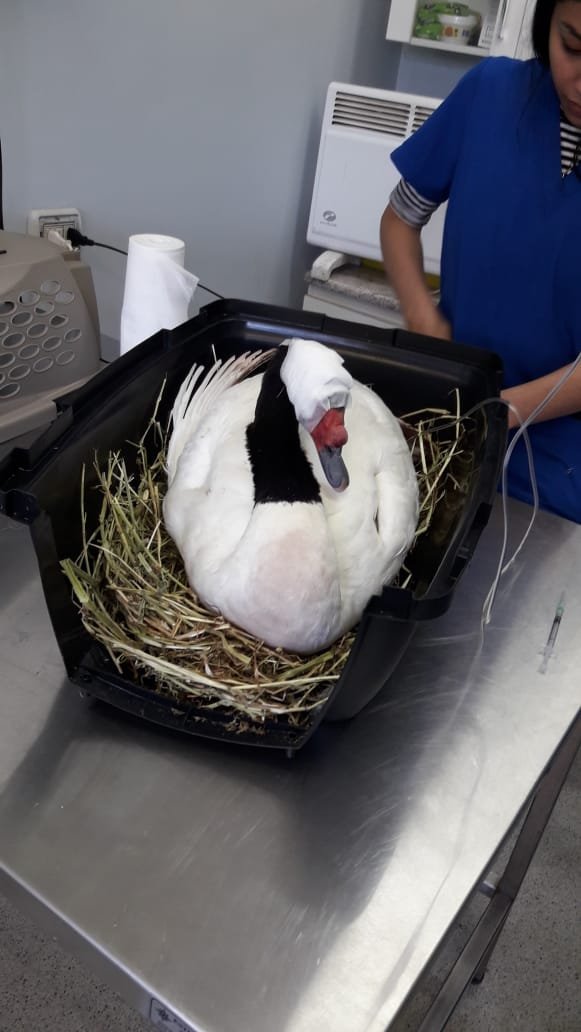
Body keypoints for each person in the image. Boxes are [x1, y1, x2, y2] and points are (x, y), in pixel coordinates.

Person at [380, 0, 581, 525]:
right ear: (546, 24)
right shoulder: (491, 92)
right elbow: (400, 220)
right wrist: (423, 316)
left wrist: (497, 411)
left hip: (563, 471)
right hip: (451, 427)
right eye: (573, 47)